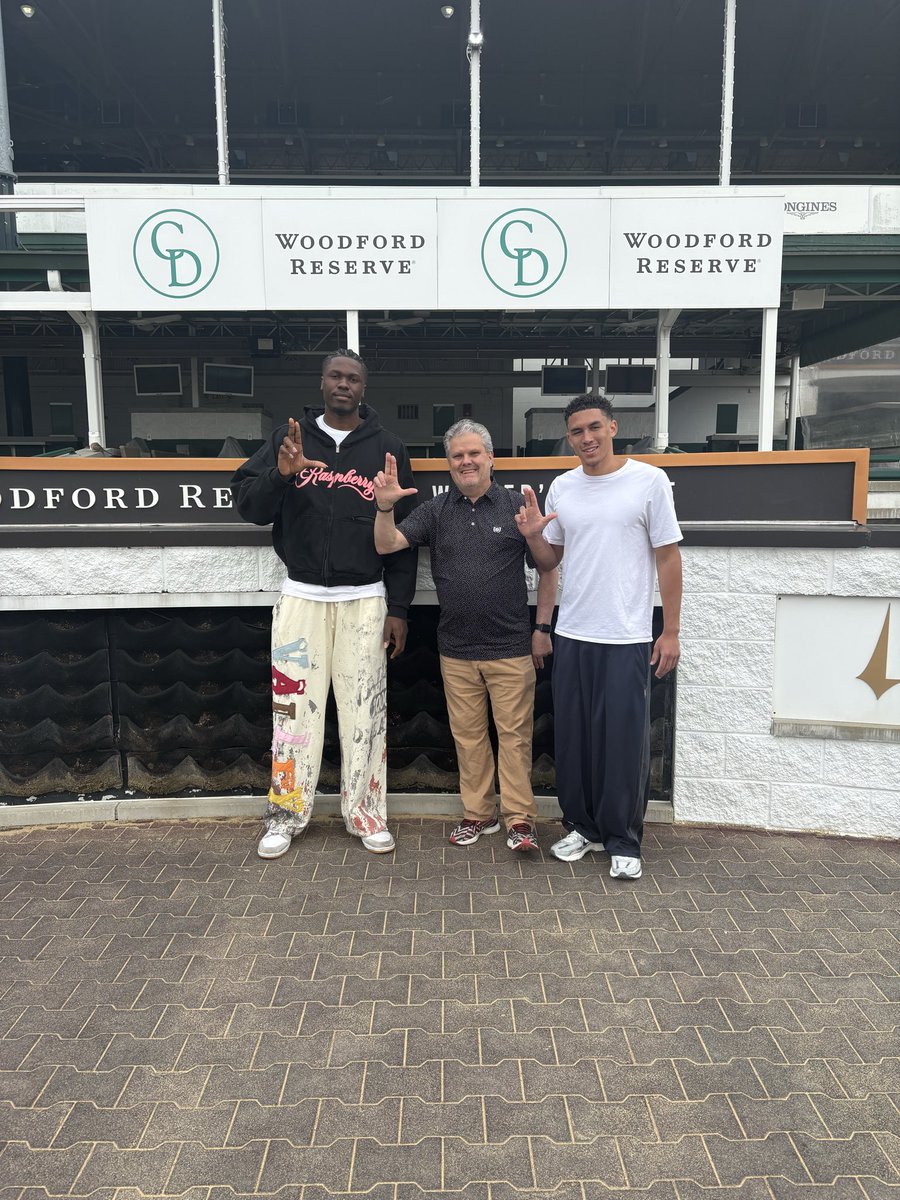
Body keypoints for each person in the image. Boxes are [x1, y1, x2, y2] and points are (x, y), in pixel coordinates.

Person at [231, 349, 417, 859]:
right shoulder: (289, 441)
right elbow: (247, 505)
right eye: (335, 376)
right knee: (292, 712)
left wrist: (398, 607)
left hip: (365, 601)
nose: (343, 384)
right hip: (302, 598)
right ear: (321, 383)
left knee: (365, 714)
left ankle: (366, 813)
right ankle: (286, 814)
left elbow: (404, 535)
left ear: (363, 387)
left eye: (353, 378)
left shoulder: (388, 447)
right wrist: (282, 474)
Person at [515, 395, 682, 880]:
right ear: (568, 438)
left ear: (613, 426)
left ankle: (623, 839)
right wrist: (532, 537)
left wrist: (668, 631)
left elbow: (669, 559)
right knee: (575, 739)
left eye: (594, 428)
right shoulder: (562, 488)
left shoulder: (648, 482)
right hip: (574, 632)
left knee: (624, 743)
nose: (586, 438)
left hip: (626, 635)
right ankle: (582, 827)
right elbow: (551, 562)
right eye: (576, 432)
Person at [372, 419, 558, 852]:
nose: (467, 461)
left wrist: (542, 628)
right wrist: (383, 509)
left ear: (491, 457)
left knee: (514, 738)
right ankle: (478, 815)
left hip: (511, 646)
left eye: (474, 453)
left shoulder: (517, 507)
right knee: (469, 737)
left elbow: (548, 566)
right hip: (455, 649)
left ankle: (519, 821)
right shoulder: (436, 512)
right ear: (449, 463)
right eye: (458, 455)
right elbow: (387, 545)